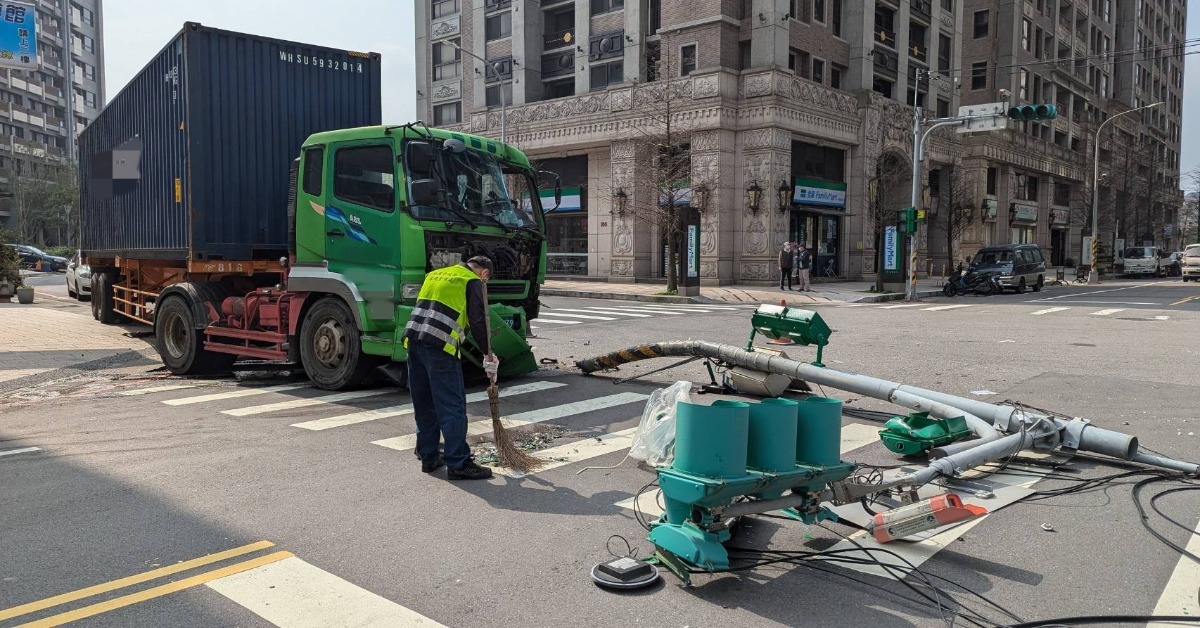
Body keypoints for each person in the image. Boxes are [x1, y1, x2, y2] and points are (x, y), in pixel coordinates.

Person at [402, 255, 500, 480]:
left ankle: (429, 457)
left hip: (414, 343)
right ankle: (458, 462)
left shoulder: (434, 274)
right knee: (452, 406)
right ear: (484, 273)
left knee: (424, 403)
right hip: (440, 348)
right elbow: (478, 320)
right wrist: (488, 354)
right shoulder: (470, 280)